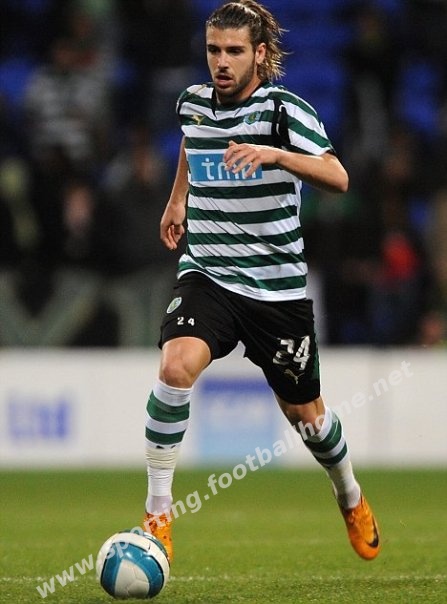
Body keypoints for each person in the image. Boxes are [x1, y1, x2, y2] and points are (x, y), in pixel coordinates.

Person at [142, 0, 380, 563]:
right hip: (209, 273)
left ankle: (349, 494)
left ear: (260, 54)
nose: (221, 62)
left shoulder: (284, 112)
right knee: (174, 368)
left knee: (308, 420)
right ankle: (157, 513)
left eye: (234, 51)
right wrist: (178, 199)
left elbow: (338, 177)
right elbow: (192, 140)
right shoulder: (192, 102)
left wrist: (277, 156)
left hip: (276, 291)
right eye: (213, 50)